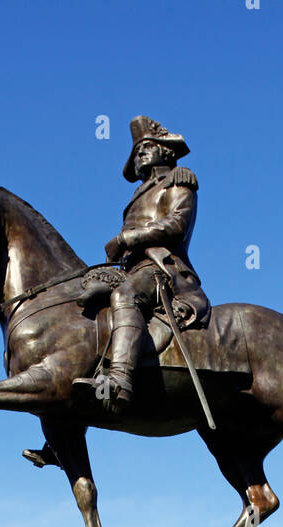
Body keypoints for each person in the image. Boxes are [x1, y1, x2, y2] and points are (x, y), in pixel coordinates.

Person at [73, 116, 210, 413]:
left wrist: (126, 239)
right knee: (82, 299)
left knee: (125, 295)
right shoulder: (139, 193)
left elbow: (175, 226)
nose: (139, 155)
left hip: (162, 270)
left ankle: (119, 382)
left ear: (167, 151)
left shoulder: (178, 179)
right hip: (132, 269)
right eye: (136, 151)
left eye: (146, 147)